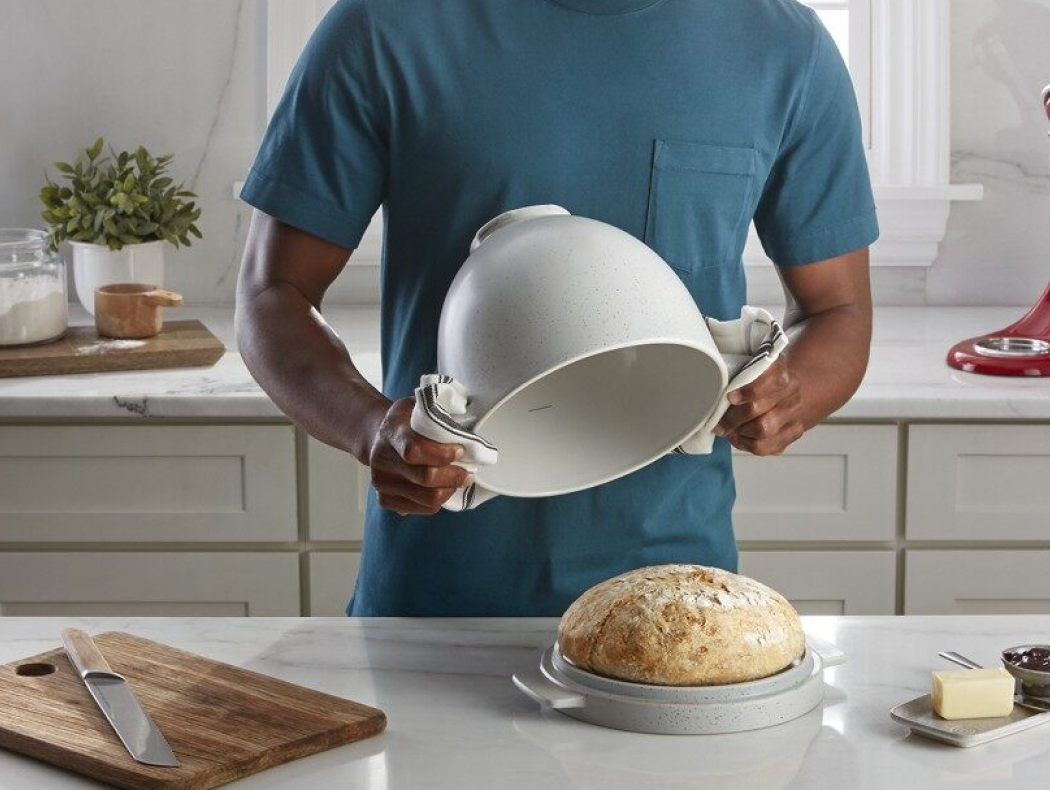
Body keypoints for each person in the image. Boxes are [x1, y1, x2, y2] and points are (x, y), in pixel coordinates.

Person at [236, 0, 876, 616]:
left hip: (678, 604)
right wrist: (370, 426)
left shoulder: (787, 48)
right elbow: (273, 293)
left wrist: (790, 393)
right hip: (438, 594)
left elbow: (837, 310)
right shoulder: (383, 26)